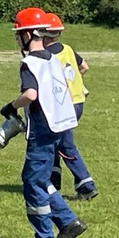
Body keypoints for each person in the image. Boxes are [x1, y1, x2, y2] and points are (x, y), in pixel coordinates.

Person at [0, 7, 87, 238]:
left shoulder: (29, 63)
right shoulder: (53, 58)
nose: (17, 39)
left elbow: (30, 94)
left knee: (32, 181)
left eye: (18, 35)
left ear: (27, 35)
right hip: (60, 125)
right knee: (39, 178)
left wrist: (10, 106)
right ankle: (69, 223)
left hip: (42, 127)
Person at [44, 13, 98, 200]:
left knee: (66, 145)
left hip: (63, 105)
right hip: (78, 102)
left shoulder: (48, 55)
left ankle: (86, 185)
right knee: (53, 140)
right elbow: (84, 67)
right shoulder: (67, 49)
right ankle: (53, 177)